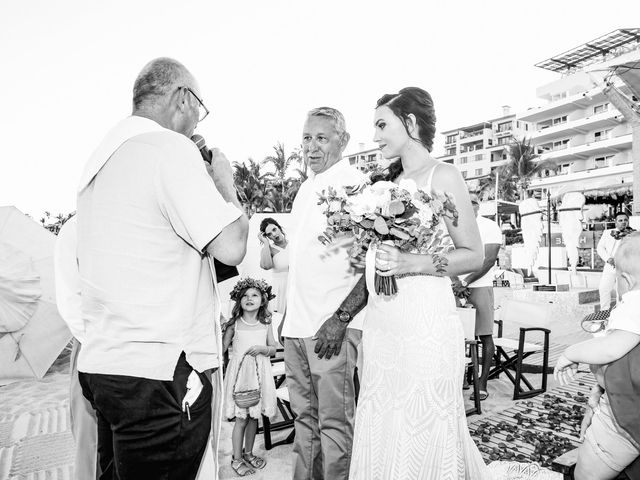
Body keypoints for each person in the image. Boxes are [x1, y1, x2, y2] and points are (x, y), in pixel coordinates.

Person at [75, 57, 248, 479]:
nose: (195, 122)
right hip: (160, 374)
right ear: (182, 98)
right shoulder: (167, 149)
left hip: (106, 368)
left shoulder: (100, 162)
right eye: (198, 109)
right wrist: (224, 183)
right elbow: (232, 246)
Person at [348, 87, 492, 479]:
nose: (375, 136)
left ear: (409, 123)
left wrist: (413, 262)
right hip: (384, 321)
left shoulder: (443, 175)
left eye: (382, 125)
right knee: (382, 410)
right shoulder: (382, 183)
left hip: (424, 318)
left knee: (421, 414)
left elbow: (473, 254)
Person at [281, 107, 368, 480]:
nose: (311, 147)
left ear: (342, 141)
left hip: (332, 328)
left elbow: (374, 263)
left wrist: (342, 318)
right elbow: (301, 261)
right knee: (304, 423)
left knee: (334, 426)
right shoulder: (304, 189)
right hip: (296, 328)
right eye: (306, 138)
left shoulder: (357, 186)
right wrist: (285, 317)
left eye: (321, 138)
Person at [555, 232, 640, 480]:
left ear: (625, 280)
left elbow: (612, 348)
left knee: (587, 472)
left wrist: (571, 353)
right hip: (621, 404)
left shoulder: (634, 303)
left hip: (626, 418)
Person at [53, 215, 100, 480]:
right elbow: (71, 302)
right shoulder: (76, 229)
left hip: (136, 349)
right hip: (92, 345)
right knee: (90, 439)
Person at [222, 277, 278, 477]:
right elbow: (222, 348)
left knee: (254, 418)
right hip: (239, 378)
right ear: (239, 300)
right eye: (244, 295)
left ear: (263, 300)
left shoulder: (266, 323)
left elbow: (274, 348)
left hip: (259, 376)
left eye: (254, 295)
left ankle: (248, 453)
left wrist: (264, 348)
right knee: (241, 419)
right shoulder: (235, 324)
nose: (249, 298)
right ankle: (236, 459)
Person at [453, 193, 503, 401]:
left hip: (480, 285)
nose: (468, 205)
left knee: (484, 335)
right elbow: (445, 255)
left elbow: (489, 259)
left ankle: (482, 383)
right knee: (457, 335)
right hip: (455, 286)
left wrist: (466, 281)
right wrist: (455, 281)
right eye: (464, 201)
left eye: (472, 202)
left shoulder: (489, 226)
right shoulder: (454, 225)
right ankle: (462, 378)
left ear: (478, 206)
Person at [597, 212, 634, 311]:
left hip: (625, 268)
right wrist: (608, 259)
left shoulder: (634, 234)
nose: (623, 222)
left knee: (621, 293)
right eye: (620, 220)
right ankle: (604, 313)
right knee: (603, 288)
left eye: (625, 220)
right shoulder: (607, 233)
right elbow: (600, 248)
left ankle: (620, 315)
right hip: (610, 266)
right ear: (615, 222)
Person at [258, 218, 289, 314]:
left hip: (296, 285)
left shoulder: (295, 243)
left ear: (279, 228)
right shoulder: (268, 249)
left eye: (274, 229)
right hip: (280, 289)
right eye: (269, 234)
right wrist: (266, 243)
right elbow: (266, 266)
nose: (274, 235)